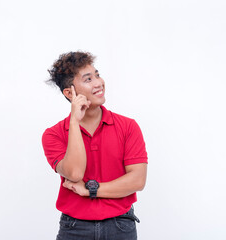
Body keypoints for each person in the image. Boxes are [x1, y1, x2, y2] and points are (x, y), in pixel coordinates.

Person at [42, 51, 148, 240]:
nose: (99, 83)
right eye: (88, 79)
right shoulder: (53, 135)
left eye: (97, 75)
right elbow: (74, 173)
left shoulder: (128, 126)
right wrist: (74, 122)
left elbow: (137, 181)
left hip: (121, 225)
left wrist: (91, 190)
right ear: (69, 92)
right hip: (74, 228)